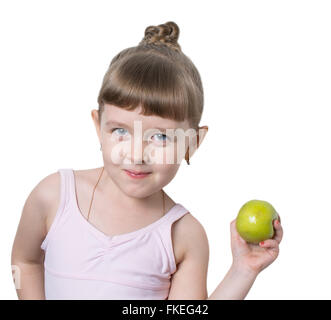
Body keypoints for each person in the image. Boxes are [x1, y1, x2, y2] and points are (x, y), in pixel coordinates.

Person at [11, 21, 283, 300]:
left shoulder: (184, 236)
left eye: (160, 138)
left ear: (193, 142)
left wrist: (243, 270)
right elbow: (25, 262)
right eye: (120, 131)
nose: (137, 154)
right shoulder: (53, 196)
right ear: (98, 126)